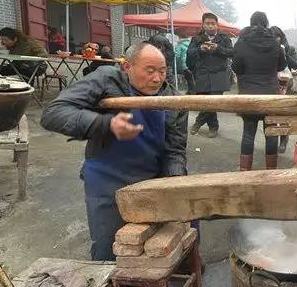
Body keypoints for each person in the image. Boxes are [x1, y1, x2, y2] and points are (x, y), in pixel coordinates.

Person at [40, 42, 187, 261]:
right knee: (108, 246)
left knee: (180, 228)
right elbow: (53, 114)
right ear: (127, 67)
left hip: (151, 176)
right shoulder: (107, 79)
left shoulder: (172, 99)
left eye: (162, 71)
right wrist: (104, 124)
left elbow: (175, 149)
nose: (157, 79)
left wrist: (175, 182)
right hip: (107, 176)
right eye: (149, 71)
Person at [232, 12, 287, 171]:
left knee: (248, 132)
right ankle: (271, 171)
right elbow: (282, 66)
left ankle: (245, 171)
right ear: (266, 23)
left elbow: (236, 68)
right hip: (270, 93)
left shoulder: (241, 43)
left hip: (248, 94)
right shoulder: (275, 43)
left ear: (251, 23)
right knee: (271, 132)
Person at [186, 13, 234, 138]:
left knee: (213, 102)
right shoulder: (197, 38)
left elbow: (232, 53)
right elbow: (190, 54)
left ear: (217, 25)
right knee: (204, 102)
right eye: (207, 23)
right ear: (203, 24)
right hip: (202, 74)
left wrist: (218, 48)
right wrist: (200, 49)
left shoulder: (224, 38)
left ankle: (199, 123)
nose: (211, 26)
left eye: (213, 23)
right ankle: (213, 126)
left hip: (219, 74)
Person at [271, 25, 297, 154]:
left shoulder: (289, 49)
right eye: (273, 37)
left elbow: (296, 64)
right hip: (271, 83)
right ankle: (272, 139)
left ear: (282, 37)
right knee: (272, 113)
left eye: (278, 37)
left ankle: (283, 139)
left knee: (283, 113)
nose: (276, 40)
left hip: (286, 84)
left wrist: (284, 53)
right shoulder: (267, 49)